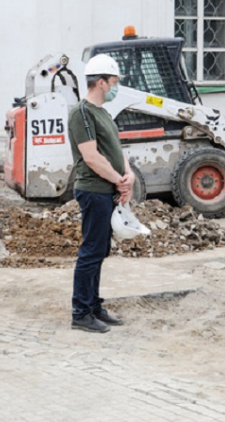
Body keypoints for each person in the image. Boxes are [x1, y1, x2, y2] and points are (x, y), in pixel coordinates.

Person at [67, 53, 135, 333]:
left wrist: (128, 175)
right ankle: (81, 312)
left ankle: (94, 306)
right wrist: (120, 181)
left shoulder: (103, 113)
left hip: (107, 190)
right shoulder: (81, 113)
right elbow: (92, 157)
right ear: (102, 83)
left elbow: (116, 150)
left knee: (100, 250)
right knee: (91, 251)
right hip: (94, 190)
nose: (116, 86)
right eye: (114, 81)